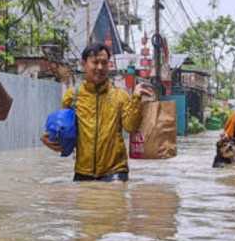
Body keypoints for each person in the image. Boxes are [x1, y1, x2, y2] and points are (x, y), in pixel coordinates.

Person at [41, 43, 154, 181]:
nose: (100, 67)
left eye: (104, 63)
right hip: (83, 171)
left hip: (116, 171)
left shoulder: (120, 95)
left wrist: (136, 98)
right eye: (95, 62)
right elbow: (64, 130)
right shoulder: (73, 96)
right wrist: (49, 139)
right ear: (84, 64)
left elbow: (130, 127)